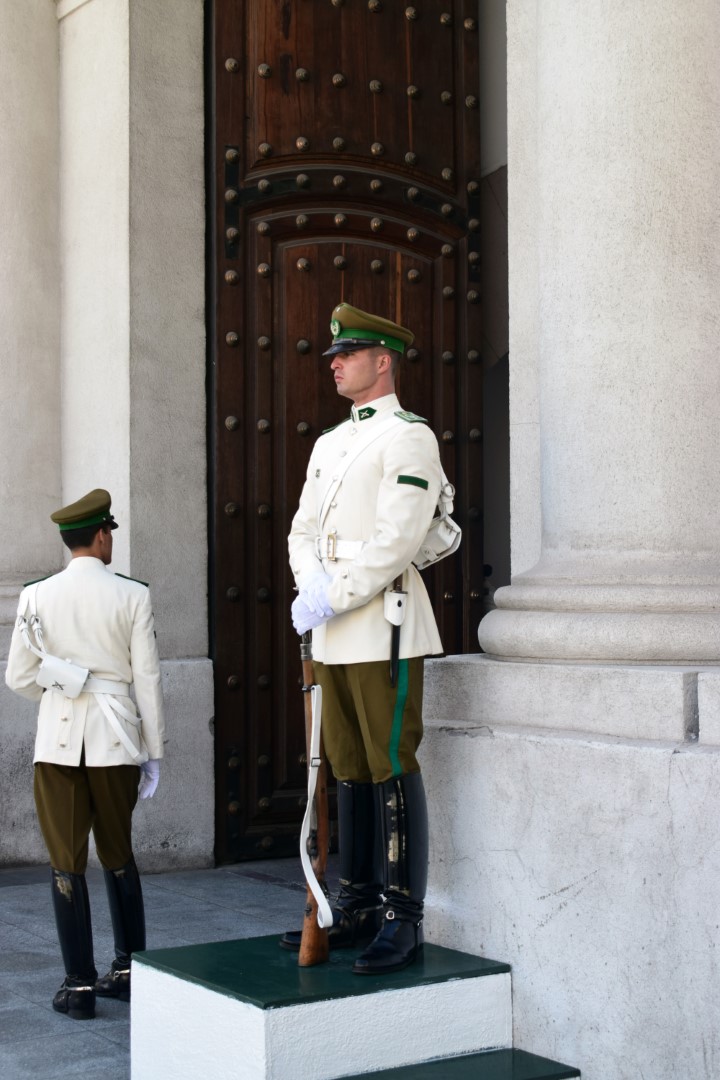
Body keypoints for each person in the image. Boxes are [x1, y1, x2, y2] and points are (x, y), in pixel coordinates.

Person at [285, 303, 445, 975]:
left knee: (389, 761)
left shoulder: (409, 437)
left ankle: (402, 919)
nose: (335, 364)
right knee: (347, 764)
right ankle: (354, 903)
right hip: (332, 628)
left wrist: (335, 593)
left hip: (383, 626)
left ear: (383, 362)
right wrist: (311, 586)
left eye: (347, 354)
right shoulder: (329, 443)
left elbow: (396, 541)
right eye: (334, 356)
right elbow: (302, 530)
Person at [4, 489, 165, 1020]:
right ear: (100, 536)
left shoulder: (36, 594)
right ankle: (129, 972)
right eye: (109, 532)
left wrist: (60, 690)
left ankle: (78, 987)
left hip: (57, 744)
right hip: (115, 742)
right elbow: (147, 680)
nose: (110, 539)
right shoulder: (132, 594)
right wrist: (154, 752)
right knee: (118, 854)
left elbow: (18, 677)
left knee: (65, 862)